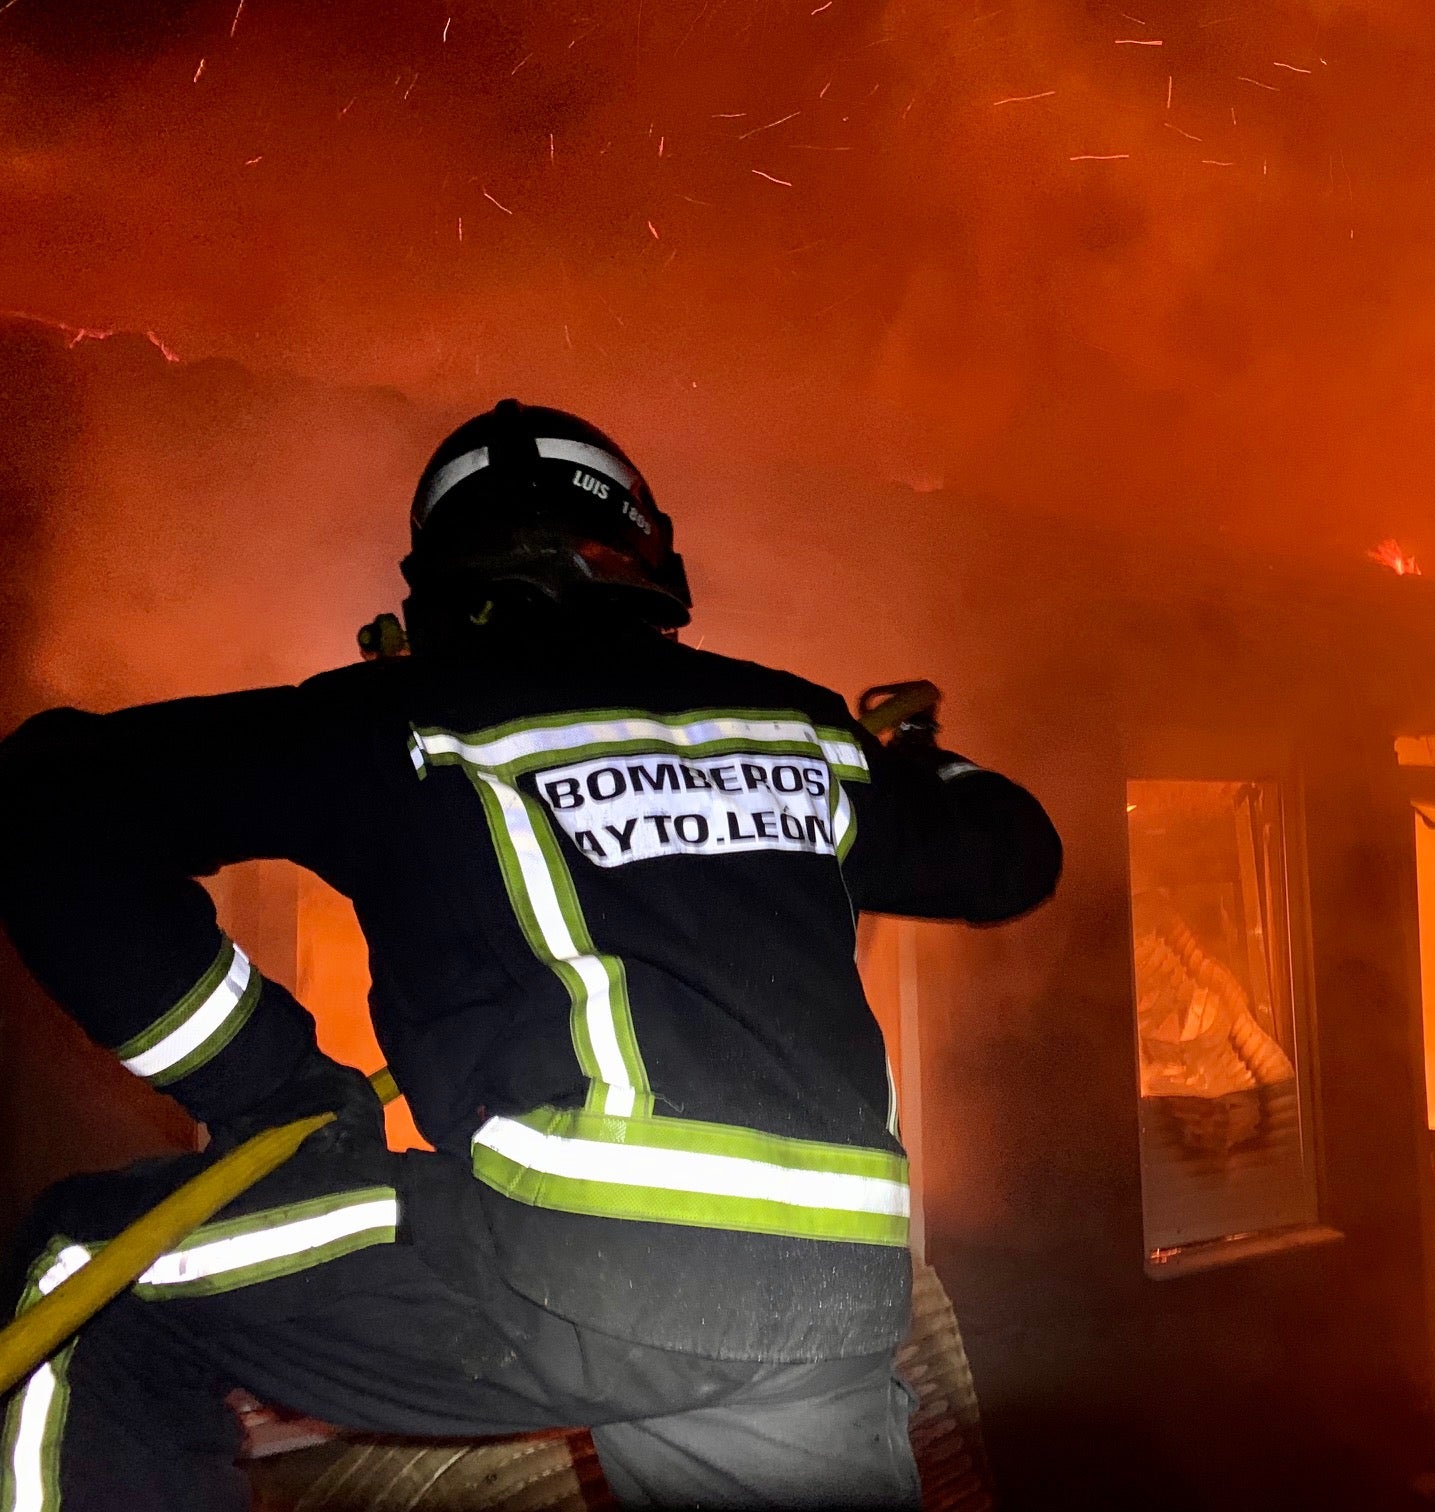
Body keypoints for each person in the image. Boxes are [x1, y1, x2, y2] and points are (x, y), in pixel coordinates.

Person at [0, 400, 1062, 1511]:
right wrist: (919, 754)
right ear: (647, 557)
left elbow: (48, 805)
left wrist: (267, 1085)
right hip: (828, 1284)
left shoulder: (413, 719)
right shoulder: (795, 727)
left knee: (88, 1271)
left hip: (592, 1260)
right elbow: (1012, 858)